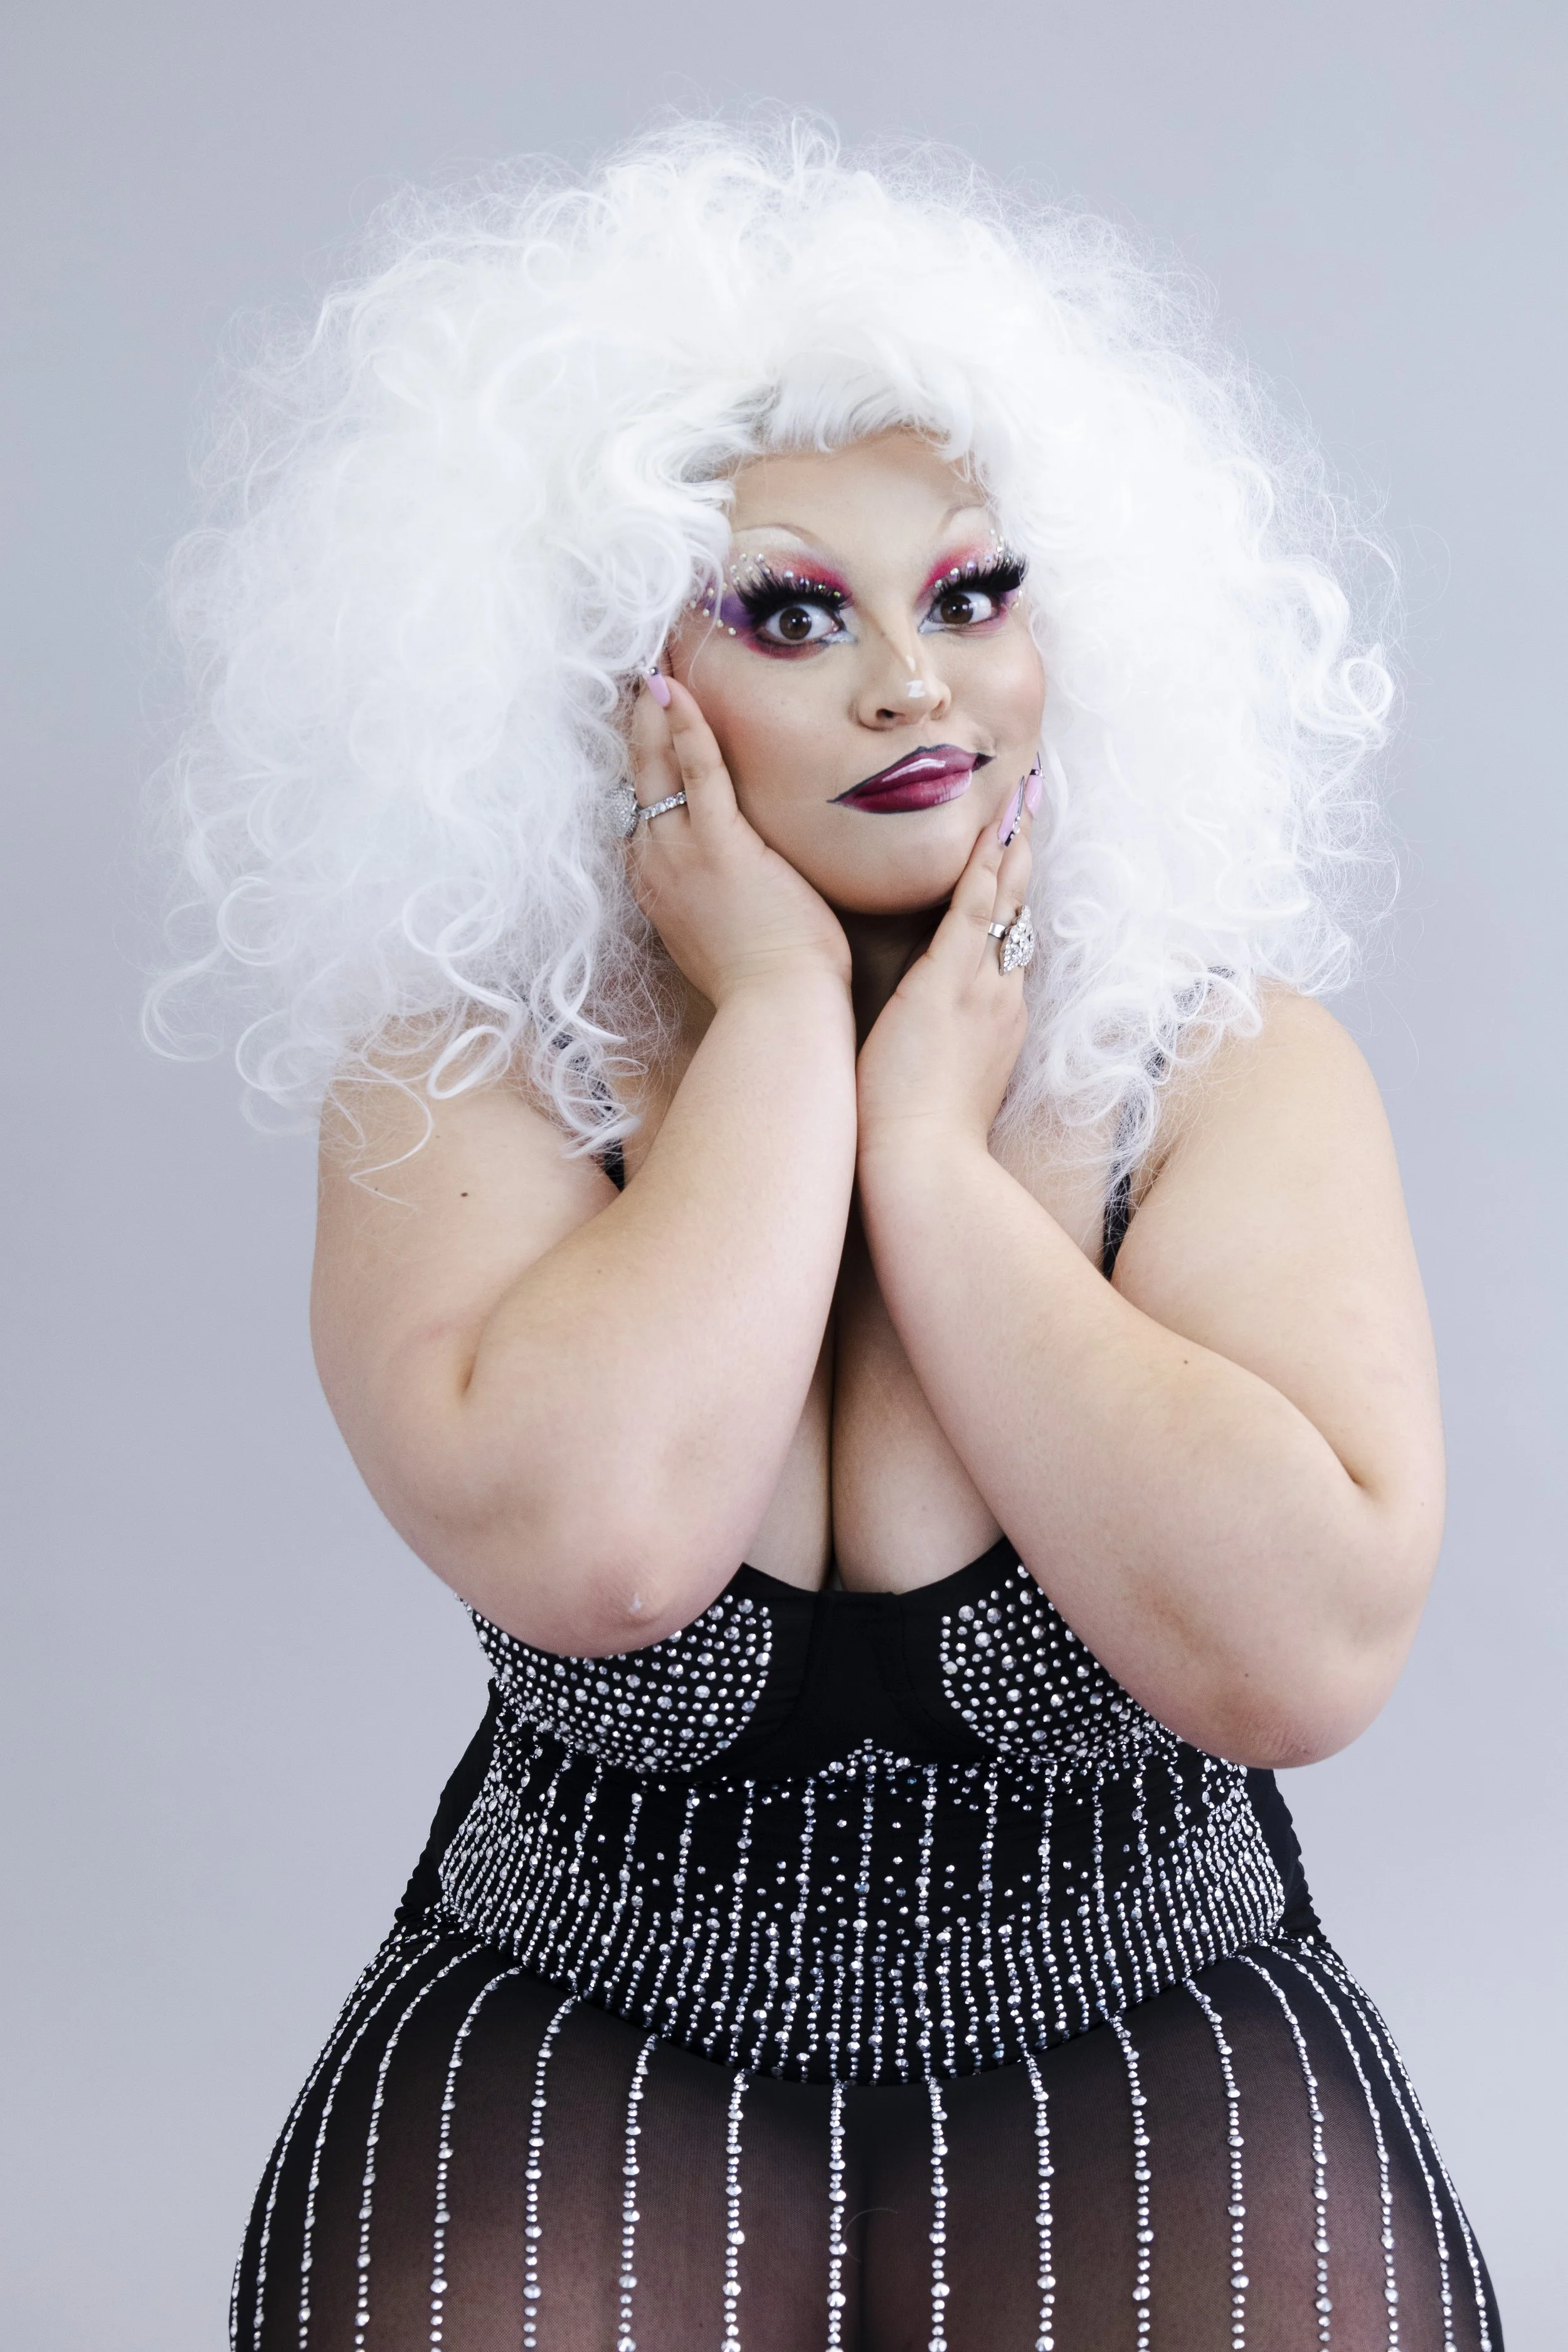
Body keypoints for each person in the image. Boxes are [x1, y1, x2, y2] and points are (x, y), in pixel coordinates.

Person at [152, 120, 1502, 2351]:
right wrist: (782, 1023)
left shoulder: (1221, 1064)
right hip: (587, 1996)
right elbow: (600, 1548)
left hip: (1141, 1988)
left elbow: (1299, 1659)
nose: (917, 687)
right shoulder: (470, 1079)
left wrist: (940, 1171)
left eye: (972, 593)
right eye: (793, 615)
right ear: (608, 681)